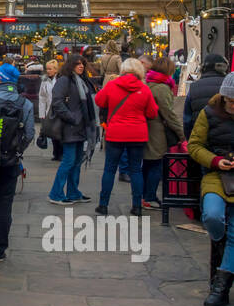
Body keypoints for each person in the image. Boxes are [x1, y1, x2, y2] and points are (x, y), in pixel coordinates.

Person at [187, 73, 234, 306]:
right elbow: (194, 145)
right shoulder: (209, 113)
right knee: (213, 216)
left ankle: (220, 287)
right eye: (231, 101)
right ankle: (221, 244)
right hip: (217, 175)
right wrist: (215, 160)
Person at [95, 58, 158, 215]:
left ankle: (103, 205)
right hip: (137, 134)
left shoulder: (112, 85)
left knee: (109, 169)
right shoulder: (144, 89)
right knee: (135, 170)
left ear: (123, 70)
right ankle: (136, 206)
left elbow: (99, 100)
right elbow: (152, 113)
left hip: (115, 133)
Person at [0, 62, 34, 261]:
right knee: (6, 205)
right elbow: (29, 133)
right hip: (11, 160)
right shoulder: (26, 104)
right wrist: (18, 150)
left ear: (2, 79)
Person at [48, 53, 98, 205]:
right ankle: (55, 194)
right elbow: (57, 102)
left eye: (82, 63)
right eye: (77, 64)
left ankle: (73, 192)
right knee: (68, 161)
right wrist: (72, 117)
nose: (81, 66)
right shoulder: (64, 80)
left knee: (76, 161)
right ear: (71, 65)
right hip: (70, 127)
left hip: (82, 127)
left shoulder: (83, 81)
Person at [142, 56, 184, 208]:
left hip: (145, 128)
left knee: (146, 164)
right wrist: (181, 134)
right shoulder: (162, 88)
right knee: (156, 164)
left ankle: (143, 196)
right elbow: (169, 114)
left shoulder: (148, 84)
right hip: (156, 131)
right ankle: (149, 197)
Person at [183, 53, 229, 137]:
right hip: (227, 139)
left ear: (203, 68)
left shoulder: (193, 87)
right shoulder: (229, 86)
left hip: (201, 138)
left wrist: (190, 138)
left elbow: (187, 119)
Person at [38, 58, 62, 163]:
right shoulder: (44, 81)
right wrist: (42, 113)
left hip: (59, 110)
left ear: (56, 70)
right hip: (49, 109)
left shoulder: (61, 80)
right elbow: (42, 97)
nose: (48, 71)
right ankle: (56, 153)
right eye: (47, 69)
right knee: (52, 132)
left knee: (59, 132)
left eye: (50, 69)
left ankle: (61, 153)